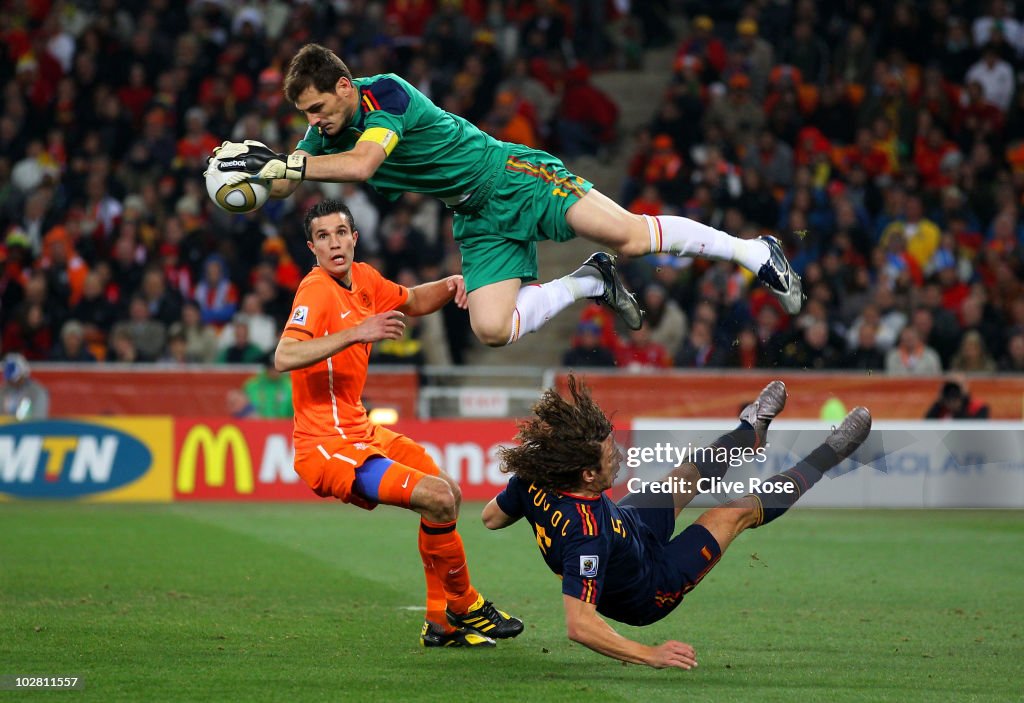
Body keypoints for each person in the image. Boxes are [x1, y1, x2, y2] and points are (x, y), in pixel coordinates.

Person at [211, 43, 803, 349]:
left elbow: (364, 165)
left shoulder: (385, 95)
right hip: (476, 217)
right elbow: (292, 175)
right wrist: (257, 167)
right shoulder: (324, 132)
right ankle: (591, 281)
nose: (313, 120)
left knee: (628, 234)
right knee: (492, 329)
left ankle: (755, 252)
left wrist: (293, 162)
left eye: (317, 107)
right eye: (304, 116)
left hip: (511, 175)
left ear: (343, 87)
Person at [481, 376, 872, 669]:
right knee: (732, 513)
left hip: (628, 526)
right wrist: (649, 654)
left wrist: (531, 504)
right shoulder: (584, 534)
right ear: (585, 475)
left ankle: (750, 430)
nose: (617, 455)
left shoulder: (536, 478)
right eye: (607, 455)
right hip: (652, 585)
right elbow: (580, 625)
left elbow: (491, 519)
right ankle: (830, 454)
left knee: (685, 475)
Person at [274, 199, 522, 648]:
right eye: (324, 236)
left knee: (447, 491)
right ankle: (464, 604)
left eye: (341, 232)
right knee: (437, 498)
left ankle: (439, 624)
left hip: (361, 431)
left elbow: (412, 300)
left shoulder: (365, 278)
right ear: (312, 247)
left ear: (355, 237)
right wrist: (356, 332)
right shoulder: (314, 291)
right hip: (327, 446)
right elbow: (284, 356)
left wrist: (451, 285)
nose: (335, 242)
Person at [0, 353, 50, 420]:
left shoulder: (37, 392)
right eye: (10, 379)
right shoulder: (3, 390)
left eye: (15, 378)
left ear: (23, 373)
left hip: (28, 428)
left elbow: (38, 419)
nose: (12, 382)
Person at [925, 378, 990, 419]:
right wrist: (939, 401)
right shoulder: (941, 407)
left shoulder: (979, 407)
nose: (953, 390)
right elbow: (927, 425)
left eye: (957, 386)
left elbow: (976, 429)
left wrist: (959, 408)